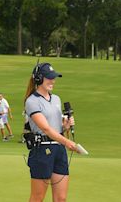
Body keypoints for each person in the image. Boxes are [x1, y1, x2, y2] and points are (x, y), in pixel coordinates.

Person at [24, 62, 78, 202]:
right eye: (49, 78)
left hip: (59, 149)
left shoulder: (56, 99)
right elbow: (45, 128)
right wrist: (67, 142)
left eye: (53, 78)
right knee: (38, 197)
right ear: (38, 79)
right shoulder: (32, 101)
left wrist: (65, 126)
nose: (52, 81)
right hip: (42, 150)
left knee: (61, 198)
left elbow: (55, 127)